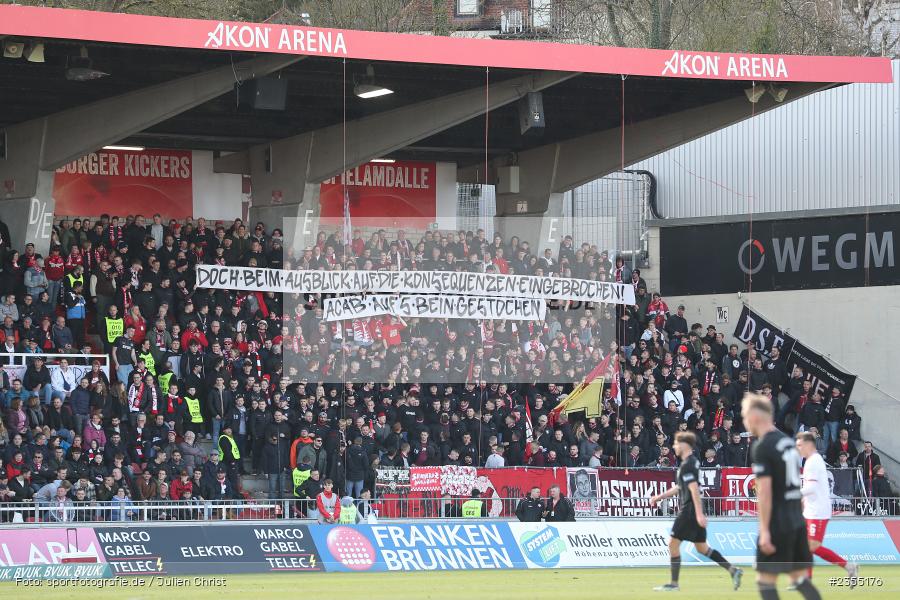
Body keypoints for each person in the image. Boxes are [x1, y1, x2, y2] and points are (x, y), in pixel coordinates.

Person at [742, 393, 821, 600]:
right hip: (796, 520)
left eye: (745, 416)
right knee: (799, 579)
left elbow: (765, 493)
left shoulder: (763, 447)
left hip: (778, 522)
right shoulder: (787, 443)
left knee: (765, 580)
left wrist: (764, 531)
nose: (745, 422)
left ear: (755, 416)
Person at [650, 431, 743, 592]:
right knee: (702, 548)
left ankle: (674, 584)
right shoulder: (691, 462)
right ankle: (733, 570)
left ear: (684, 445)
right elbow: (681, 487)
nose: (674, 447)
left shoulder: (687, 465)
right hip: (694, 511)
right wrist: (660, 496)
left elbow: (693, 489)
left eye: (676, 444)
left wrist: (699, 514)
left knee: (672, 544)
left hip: (689, 511)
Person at [795, 432, 858, 581]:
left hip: (819, 511)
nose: (798, 449)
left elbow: (811, 487)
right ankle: (806, 580)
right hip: (810, 510)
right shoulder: (810, 460)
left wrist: (792, 495)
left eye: (799, 445)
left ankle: (848, 566)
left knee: (813, 546)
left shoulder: (814, 461)